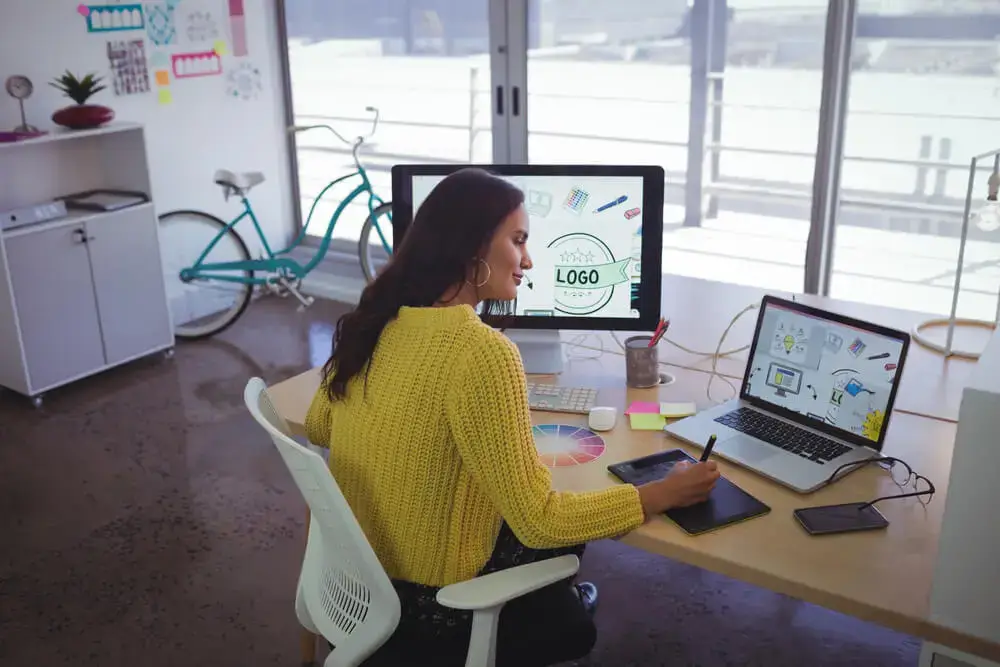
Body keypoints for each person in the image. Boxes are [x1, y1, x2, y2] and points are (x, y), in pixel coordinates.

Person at [304, 167, 720, 667]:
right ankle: (552, 610)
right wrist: (660, 494)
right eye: (518, 240)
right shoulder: (482, 353)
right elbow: (538, 522)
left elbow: (319, 425)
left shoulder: (373, 323)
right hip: (436, 611)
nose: (526, 260)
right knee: (568, 511)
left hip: (361, 588)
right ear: (472, 247)